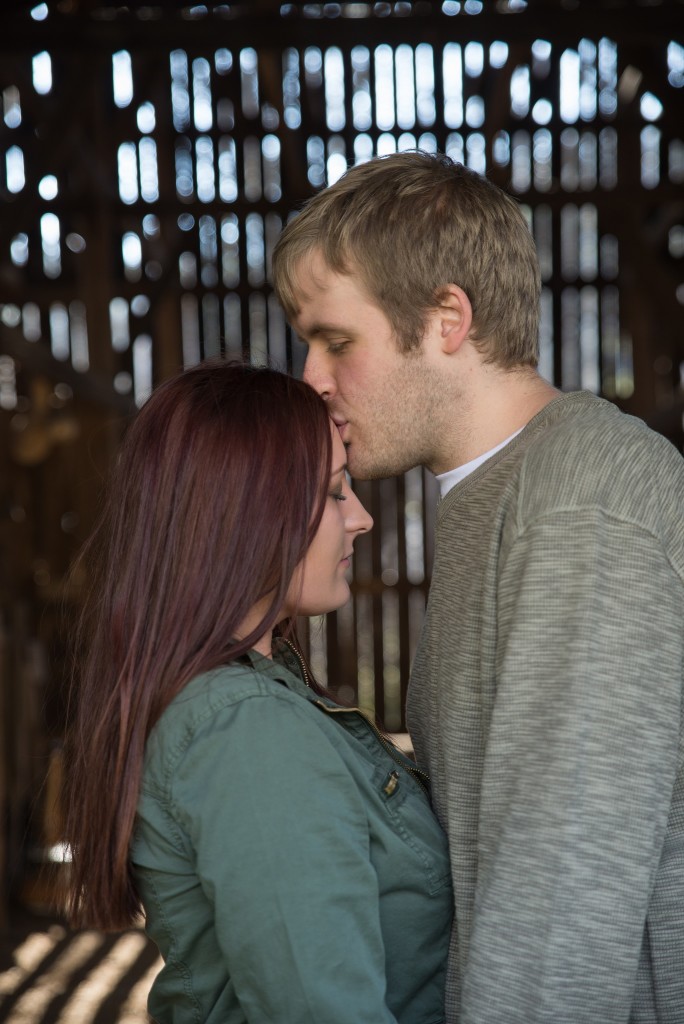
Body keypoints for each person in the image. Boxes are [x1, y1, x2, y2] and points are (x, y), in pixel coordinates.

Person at [271, 151, 684, 1024]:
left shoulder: (581, 503)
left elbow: (558, 921)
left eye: (336, 341)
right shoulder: (493, 500)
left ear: (447, 318)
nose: (311, 378)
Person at [62, 360, 452, 1024]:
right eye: (333, 493)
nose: (360, 518)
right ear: (246, 510)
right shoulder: (249, 734)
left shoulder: (251, 699)